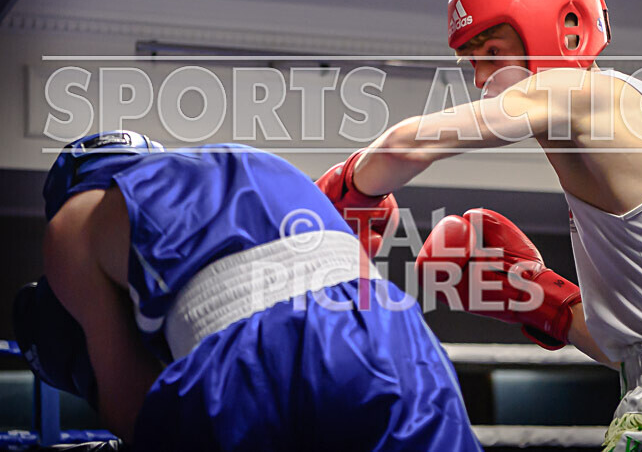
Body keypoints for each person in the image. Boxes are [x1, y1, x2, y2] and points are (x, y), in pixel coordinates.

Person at [314, 0, 642, 451]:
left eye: (493, 53)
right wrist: (545, 303)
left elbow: (409, 145)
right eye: (473, 63)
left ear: (561, 33)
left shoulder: (584, 93)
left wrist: (345, 195)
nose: (482, 81)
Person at [13, 130, 482, 451]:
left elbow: (128, 402)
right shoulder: (250, 159)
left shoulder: (70, 224)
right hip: (393, 331)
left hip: (252, 354)